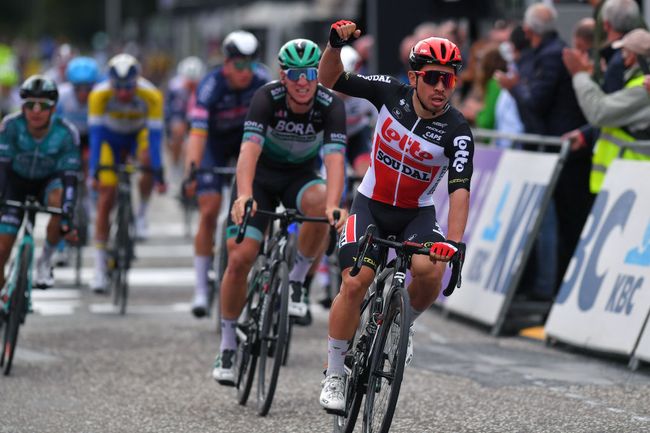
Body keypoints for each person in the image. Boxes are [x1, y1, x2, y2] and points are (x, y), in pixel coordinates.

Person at [318, 21, 473, 412]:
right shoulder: (389, 91)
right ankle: (335, 372)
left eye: (449, 80)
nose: (441, 87)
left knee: (431, 269)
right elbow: (332, 78)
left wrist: (453, 244)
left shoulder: (457, 131)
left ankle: (402, 324)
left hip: (416, 213)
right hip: (371, 204)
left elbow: (459, 191)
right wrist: (334, 45)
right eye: (433, 78)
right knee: (355, 283)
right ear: (413, 78)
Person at [211, 38, 348, 385]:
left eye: (309, 74)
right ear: (282, 76)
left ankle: (298, 279)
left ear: (317, 75)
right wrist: (243, 196)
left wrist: (334, 205)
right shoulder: (266, 98)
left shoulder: (330, 104)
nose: (302, 81)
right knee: (240, 256)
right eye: (293, 74)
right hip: (259, 179)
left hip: (299, 178)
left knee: (320, 205)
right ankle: (228, 343)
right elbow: (248, 153)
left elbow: (334, 161)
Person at [495, 3, 588, 298]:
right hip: (550, 147)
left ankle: (549, 288)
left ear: (530, 30)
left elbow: (536, 102)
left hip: (557, 149)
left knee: (553, 224)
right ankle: (545, 286)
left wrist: (515, 87)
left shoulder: (550, 56)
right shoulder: (546, 53)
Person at [183, 31, 269, 318]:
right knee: (208, 209)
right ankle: (200, 287)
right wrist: (191, 171)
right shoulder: (210, 85)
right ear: (227, 63)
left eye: (250, 64)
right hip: (215, 146)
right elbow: (197, 133)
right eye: (239, 65)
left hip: (248, 143)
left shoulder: (262, 80)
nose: (245, 72)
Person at [87, 53, 166, 293]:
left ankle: (141, 214)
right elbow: (96, 137)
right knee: (106, 196)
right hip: (109, 140)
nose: (122, 94)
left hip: (136, 137)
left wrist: (158, 173)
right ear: (110, 82)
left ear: (137, 80)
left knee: (147, 160)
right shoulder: (98, 95)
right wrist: (94, 173)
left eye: (128, 88)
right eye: (118, 88)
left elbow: (154, 139)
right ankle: (100, 269)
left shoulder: (151, 95)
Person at [0, 75, 80, 290]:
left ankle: (45, 261)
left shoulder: (66, 133)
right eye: (30, 105)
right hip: (15, 183)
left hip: (47, 182)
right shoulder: (10, 126)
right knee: (1, 248)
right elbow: (2, 170)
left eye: (43, 105)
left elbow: (70, 177)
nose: (36, 111)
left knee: (58, 199)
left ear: (53, 109)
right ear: (22, 107)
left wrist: (68, 212)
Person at [563, 28, 650, 194]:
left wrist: (579, 75)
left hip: (632, 181)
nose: (620, 59)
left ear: (632, 56)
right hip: (625, 180)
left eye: (623, 53)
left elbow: (600, 112)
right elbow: (618, 119)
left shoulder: (642, 87)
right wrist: (585, 134)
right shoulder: (637, 84)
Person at [53, 56, 101, 266]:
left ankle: (90, 202)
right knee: (63, 187)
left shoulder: (100, 95)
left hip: (92, 137)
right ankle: (61, 246)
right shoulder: (62, 96)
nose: (83, 93)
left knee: (94, 170)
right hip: (68, 138)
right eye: (78, 88)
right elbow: (54, 128)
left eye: (87, 88)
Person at [165, 56, 206, 181]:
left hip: (197, 118)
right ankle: (176, 167)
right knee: (178, 130)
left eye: (195, 83)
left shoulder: (205, 87)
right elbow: (172, 113)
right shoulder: (175, 88)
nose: (192, 86)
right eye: (189, 83)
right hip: (180, 117)